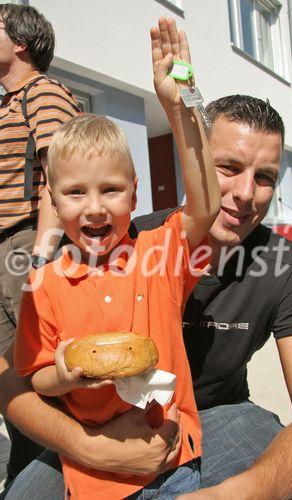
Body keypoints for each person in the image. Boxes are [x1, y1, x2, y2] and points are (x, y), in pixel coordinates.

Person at [0, 75, 292, 500]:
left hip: (210, 419)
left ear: (132, 191)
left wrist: (243, 493)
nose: (246, 193)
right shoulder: (118, 238)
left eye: (265, 177)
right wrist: (90, 446)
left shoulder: (283, 265)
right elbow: (17, 375)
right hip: (94, 431)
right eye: (228, 167)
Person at [11, 16, 220, 499]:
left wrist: (180, 104)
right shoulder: (42, 287)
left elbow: (206, 204)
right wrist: (63, 377)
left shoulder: (159, 252)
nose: (96, 206)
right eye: (76, 192)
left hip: (173, 459)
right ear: (55, 201)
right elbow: (37, 374)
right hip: (91, 476)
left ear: (134, 193)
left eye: (111, 189)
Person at [0, 2, 79, 485]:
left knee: (36, 373)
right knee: (9, 378)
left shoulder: (42, 92)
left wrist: (40, 257)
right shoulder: (7, 103)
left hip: (26, 241)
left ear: (20, 42)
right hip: (6, 247)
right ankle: (29, 471)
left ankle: (54, 476)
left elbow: (59, 179)